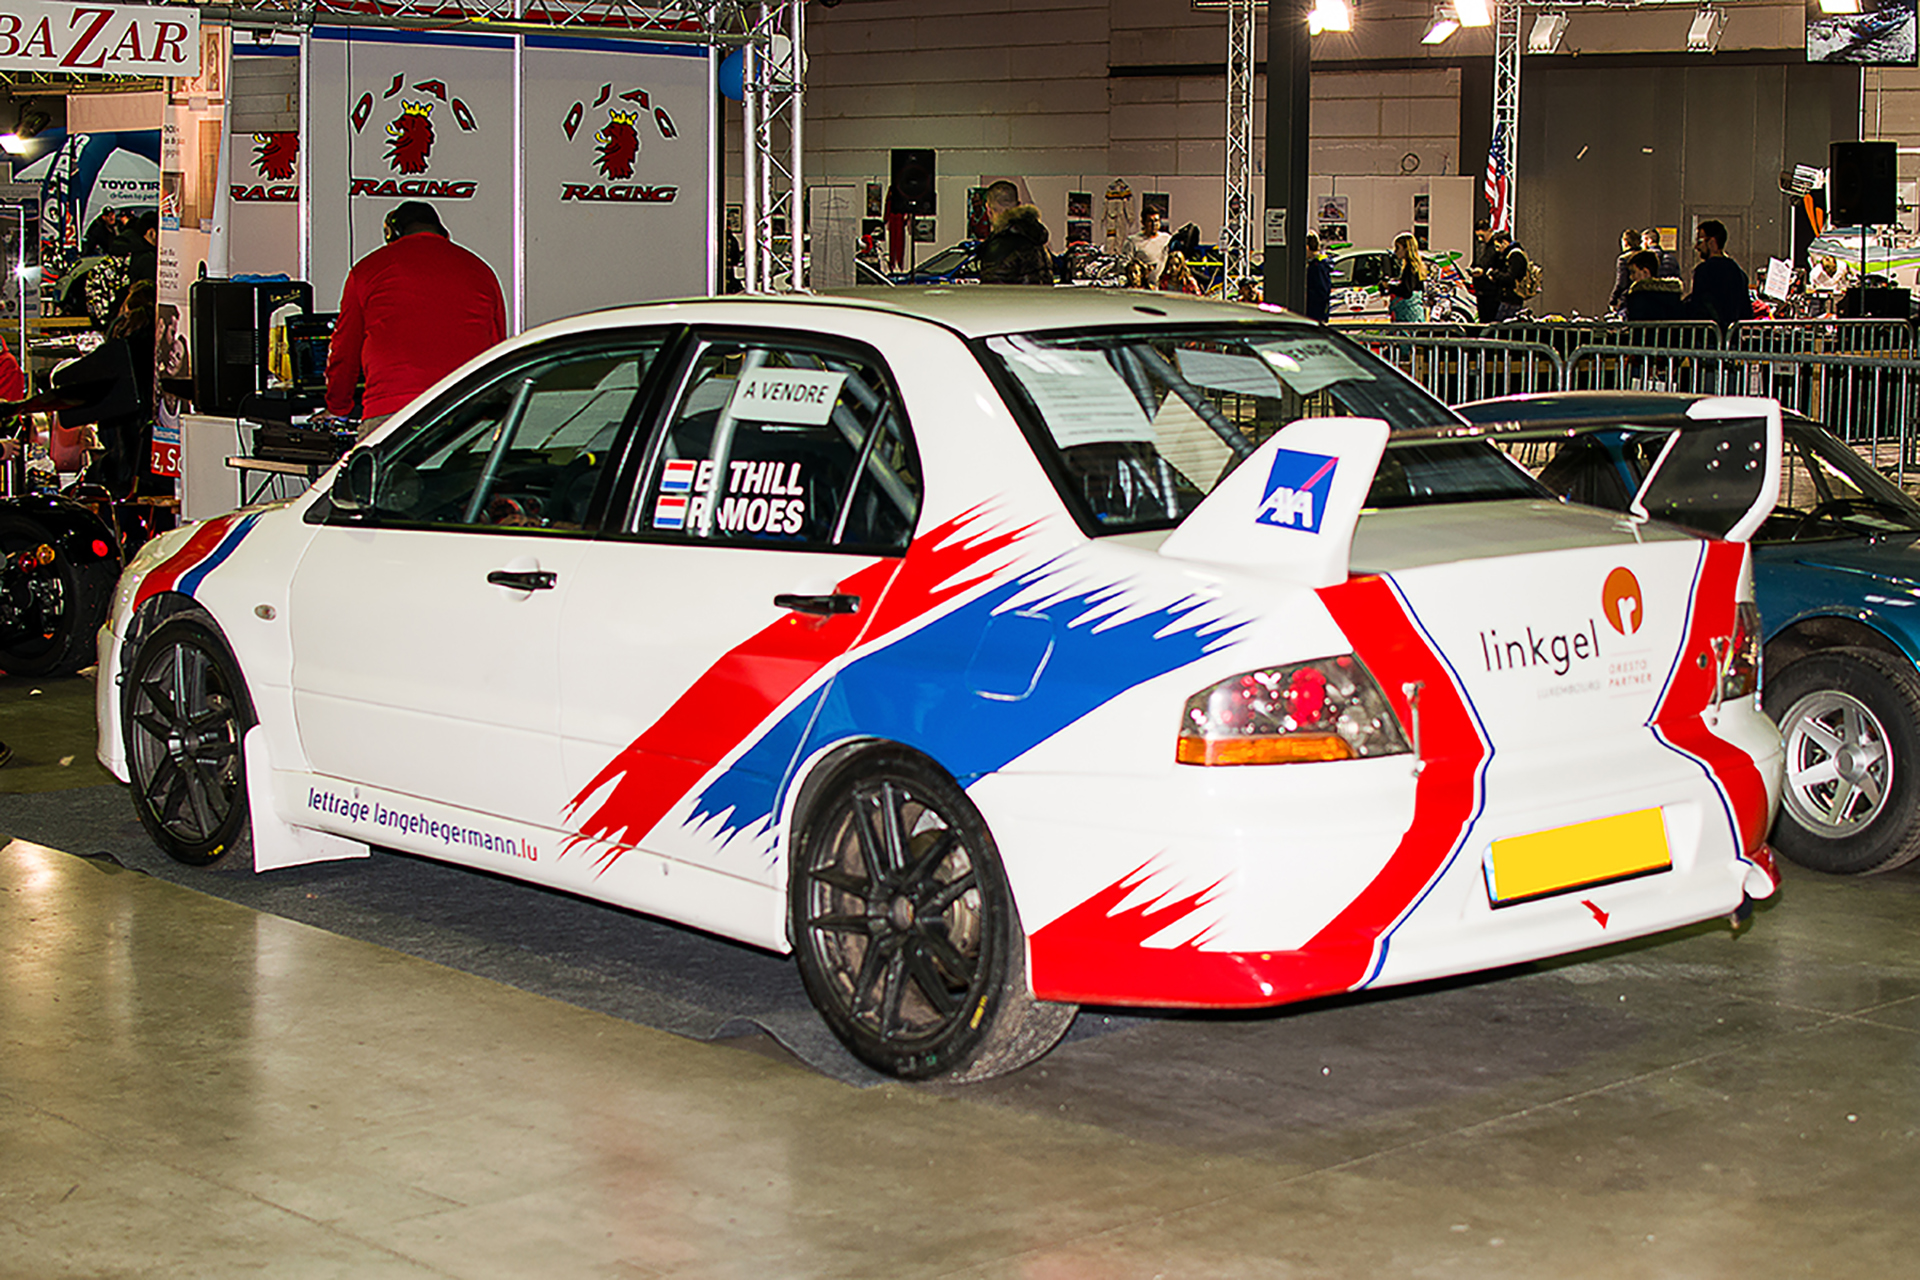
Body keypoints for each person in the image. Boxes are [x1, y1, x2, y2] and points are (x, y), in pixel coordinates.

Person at [321, 201, 507, 438]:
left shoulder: (368, 269)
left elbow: (344, 350)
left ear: (394, 234)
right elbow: (497, 347)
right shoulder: (481, 271)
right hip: (467, 410)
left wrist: (338, 408)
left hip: (393, 412)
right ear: (443, 233)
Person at [976, 180, 1054, 285]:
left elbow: (992, 294)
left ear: (988, 209)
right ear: (1018, 205)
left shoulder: (999, 247)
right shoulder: (1037, 240)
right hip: (1039, 300)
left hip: (1013, 301)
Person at [1686, 218, 1751, 329]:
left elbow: (1697, 307)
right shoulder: (1738, 272)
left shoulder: (1704, 270)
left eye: (1700, 241)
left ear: (1712, 242)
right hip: (1732, 338)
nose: (1697, 247)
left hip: (1709, 337)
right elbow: (1747, 311)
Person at [1622, 249, 1685, 322]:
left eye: (1633, 272)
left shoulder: (1638, 296)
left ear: (1646, 272)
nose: (1631, 277)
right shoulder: (1672, 294)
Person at [1121, 206, 1172, 289]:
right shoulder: (1133, 241)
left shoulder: (1167, 239)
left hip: (1160, 287)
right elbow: (1123, 265)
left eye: (1156, 221)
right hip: (1142, 287)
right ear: (1143, 222)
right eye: (1150, 221)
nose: (1154, 224)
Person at [1386, 232, 1427, 322]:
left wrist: (1391, 288)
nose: (1395, 251)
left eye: (1398, 248)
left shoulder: (1409, 268)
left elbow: (1407, 291)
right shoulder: (1417, 267)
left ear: (1406, 249)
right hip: (1416, 312)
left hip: (1407, 314)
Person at [1490, 233, 1532, 321]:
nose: (1497, 250)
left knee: (1502, 325)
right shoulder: (1512, 255)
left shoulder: (1515, 256)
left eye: (1498, 246)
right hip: (1510, 298)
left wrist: (1495, 274)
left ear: (1504, 242)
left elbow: (1510, 277)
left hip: (1511, 298)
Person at [1470, 217, 1502, 323]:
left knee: (1490, 320)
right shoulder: (1480, 247)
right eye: (1478, 236)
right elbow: (1477, 262)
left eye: (1482, 236)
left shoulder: (1496, 247)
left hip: (1492, 291)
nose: (1480, 239)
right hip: (1481, 290)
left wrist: (1484, 272)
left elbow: (1498, 266)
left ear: (1489, 231)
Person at [1609, 228, 1643, 313]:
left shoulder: (1624, 259)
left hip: (1629, 299)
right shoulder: (1648, 257)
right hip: (1646, 297)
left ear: (1625, 242)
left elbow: (1621, 282)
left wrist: (1613, 299)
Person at [1304, 232, 1332, 322]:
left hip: (1315, 312)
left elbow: (1321, 291)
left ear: (1307, 247)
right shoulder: (1319, 263)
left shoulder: (1318, 266)